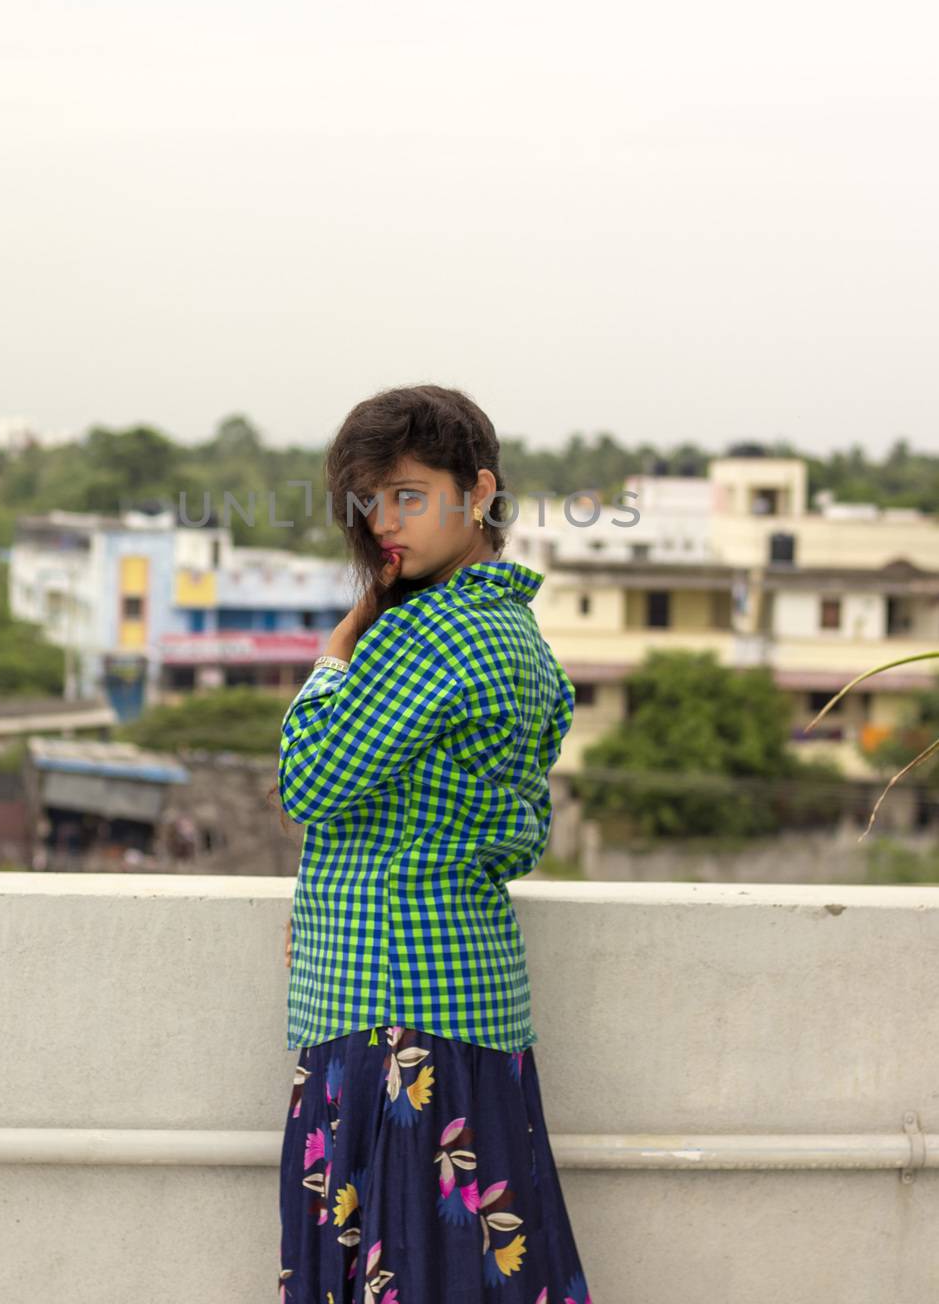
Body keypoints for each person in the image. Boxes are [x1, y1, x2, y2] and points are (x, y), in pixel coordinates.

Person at [275, 384, 594, 1304]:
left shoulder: (436, 632)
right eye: (369, 500)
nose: (382, 522)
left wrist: (337, 652)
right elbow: (511, 831)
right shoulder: (516, 635)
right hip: (463, 1011)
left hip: (395, 1023)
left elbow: (310, 781)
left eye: (408, 494)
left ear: (479, 490)